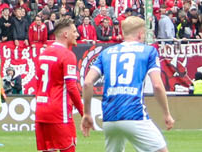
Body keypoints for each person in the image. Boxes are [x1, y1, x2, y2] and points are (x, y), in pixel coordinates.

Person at [81, 16, 174, 152]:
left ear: (123, 33)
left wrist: (87, 113)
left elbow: (87, 83)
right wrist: (166, 113)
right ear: (141, 33)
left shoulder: (106, 53)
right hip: (133, 113)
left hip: (109, 117)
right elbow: (157, 85)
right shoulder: (149, 51)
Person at [34, 17, 85, 152]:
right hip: (59, 113)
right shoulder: (67, 55)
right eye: (74, 32)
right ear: (65, 34)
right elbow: (72, 87)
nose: (77, 35)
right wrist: (83, 112)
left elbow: (37, 84)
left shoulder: (43, 54)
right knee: (68, 148)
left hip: (41, 111)